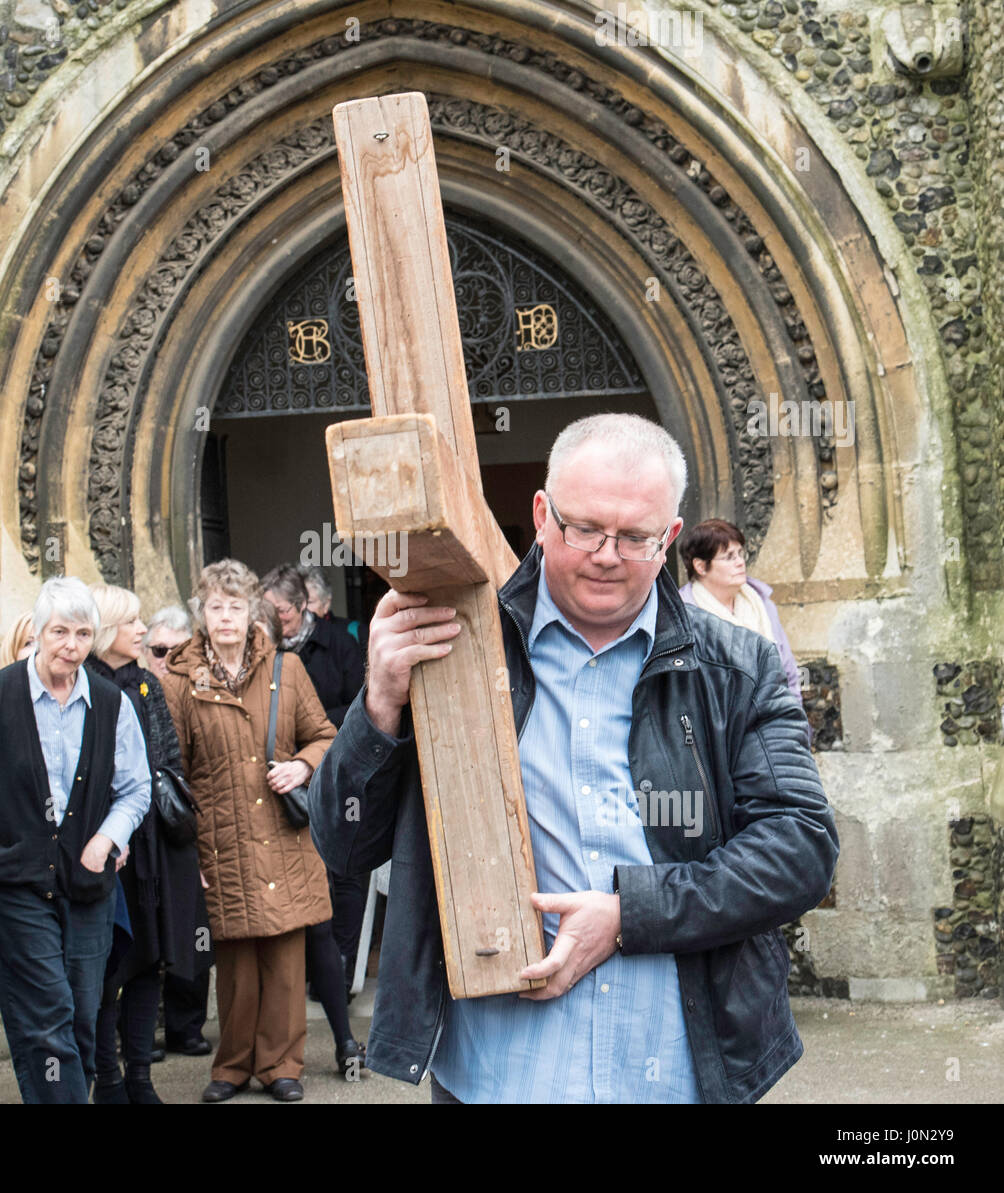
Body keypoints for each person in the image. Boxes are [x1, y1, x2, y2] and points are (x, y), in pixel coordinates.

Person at [309, 412, 838, 1104]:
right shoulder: (455, 648)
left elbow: (800, 846)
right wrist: (378, 705)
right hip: (498, 1074)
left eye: (635, 537)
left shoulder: (736, 665)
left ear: (671, 537)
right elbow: (342, 845)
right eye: (583, 527)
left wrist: (631, 914)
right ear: (541, 512)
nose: (606, 554)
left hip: (675, 1067)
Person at [0, 577, 152, 1104]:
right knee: (48, 1017)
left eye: (83, 633)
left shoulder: (111, 703)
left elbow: (136, 790)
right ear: (36, 633)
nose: (71, 644)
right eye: (59, 631)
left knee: (83, 1018)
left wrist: (107, 838)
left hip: (88, 888)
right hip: (14, 885)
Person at [161, 559, 337, 1102]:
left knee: (286, 961)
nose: (226, 617)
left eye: (236, 606)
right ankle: (232, 1066)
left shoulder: (286, 670)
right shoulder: (179, 681)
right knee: (235, 964)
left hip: (281, 835)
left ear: (252, 612)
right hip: (220, 839)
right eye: (216, 606)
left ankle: (283, 1067)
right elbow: (171, 773)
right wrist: (189, 855)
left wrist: (303, 766)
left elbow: (325, 735)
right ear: (202, 614)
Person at [86, 584, 213, 1104]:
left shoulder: (145, 685)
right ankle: (108, 1082)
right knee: (108, 969)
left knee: (148, 963)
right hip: (109, 850)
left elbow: (167, 764)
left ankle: (140, 1079)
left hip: (156, 850)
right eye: (131, 622)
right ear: (105, 629)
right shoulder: (85, 686)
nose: (142, 631)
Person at [262, 564, 369, 1054]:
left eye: (280, 610)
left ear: (301, 607)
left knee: (343, 878)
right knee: (304, 889)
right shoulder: (263, 652)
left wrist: (311, 729)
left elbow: (361, 703)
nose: (273, 619)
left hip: (338, 773)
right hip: (283, 788)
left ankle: (342, 972)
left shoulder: (340, 644)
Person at [136, 602, 210, 1054]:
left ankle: (188, 1027)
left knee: (192, 930)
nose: (167, 660)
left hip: (189, 823)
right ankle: (144, 1034)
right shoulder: (137, 689)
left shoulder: (201, 692)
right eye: (159, 650)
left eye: (178, 651)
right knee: (148, 932)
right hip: (143, 826)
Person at [678, 519, 804, 706]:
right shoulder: (682, 616)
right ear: (701, 566)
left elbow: (788, 670)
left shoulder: (761, 604)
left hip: (772, 720)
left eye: (740, 553)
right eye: (729, 557)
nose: (740, 562)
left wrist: (795, 723)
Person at [299, 564, 367, 653]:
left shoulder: (352, 632)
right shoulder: (286, 641)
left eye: (309, 602)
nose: (302, 608)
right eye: (297, 602)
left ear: (326, 604)